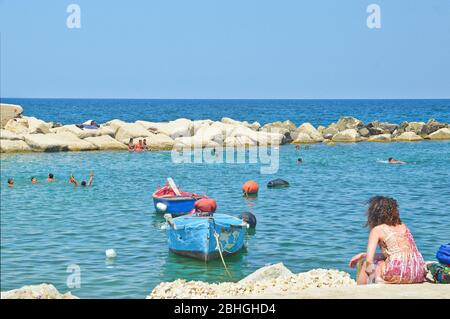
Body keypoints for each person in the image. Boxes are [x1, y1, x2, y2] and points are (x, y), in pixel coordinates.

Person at [349, 196, 425, 284]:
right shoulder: (404, 226)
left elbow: (369, 261)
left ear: (374, 214)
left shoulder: (377, 230)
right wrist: (363, 255)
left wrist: (373, 281)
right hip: (417, 271)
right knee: (378, 262)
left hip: (399, 273)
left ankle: (361, 291)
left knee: (367, 264)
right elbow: (396, 254)